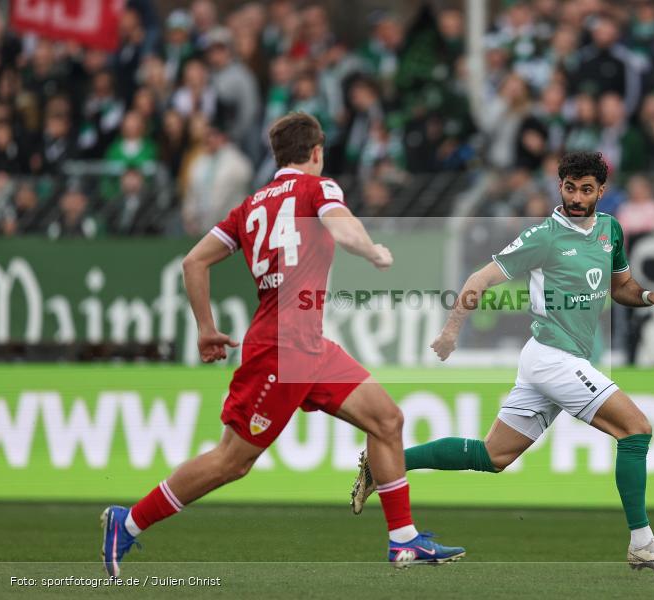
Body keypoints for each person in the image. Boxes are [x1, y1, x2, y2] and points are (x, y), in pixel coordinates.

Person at [100, 113, 465, 576]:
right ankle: (127, 523)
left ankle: (404, 542)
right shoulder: (319, 189)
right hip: (280, 349)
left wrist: (205, 327)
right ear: (317, 152)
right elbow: (342, 226)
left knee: (387, 419)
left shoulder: (250, 206)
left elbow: (194, 262)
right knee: (232, 461)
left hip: (307, 345)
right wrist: (371, 250)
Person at [350, 151, 654, 573]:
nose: (577, 197)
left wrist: (651, 297)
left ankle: (383, 464)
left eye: (587, 189)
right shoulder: (543, 236)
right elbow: (480, 279)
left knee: (494, 456)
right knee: (636, 430)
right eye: (569, 188)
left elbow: (622, 286)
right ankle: (642, 543)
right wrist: (451, 331)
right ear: (559, 186)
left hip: (553, 360)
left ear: (602, 191)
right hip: (552, 356)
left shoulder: (610, 231)